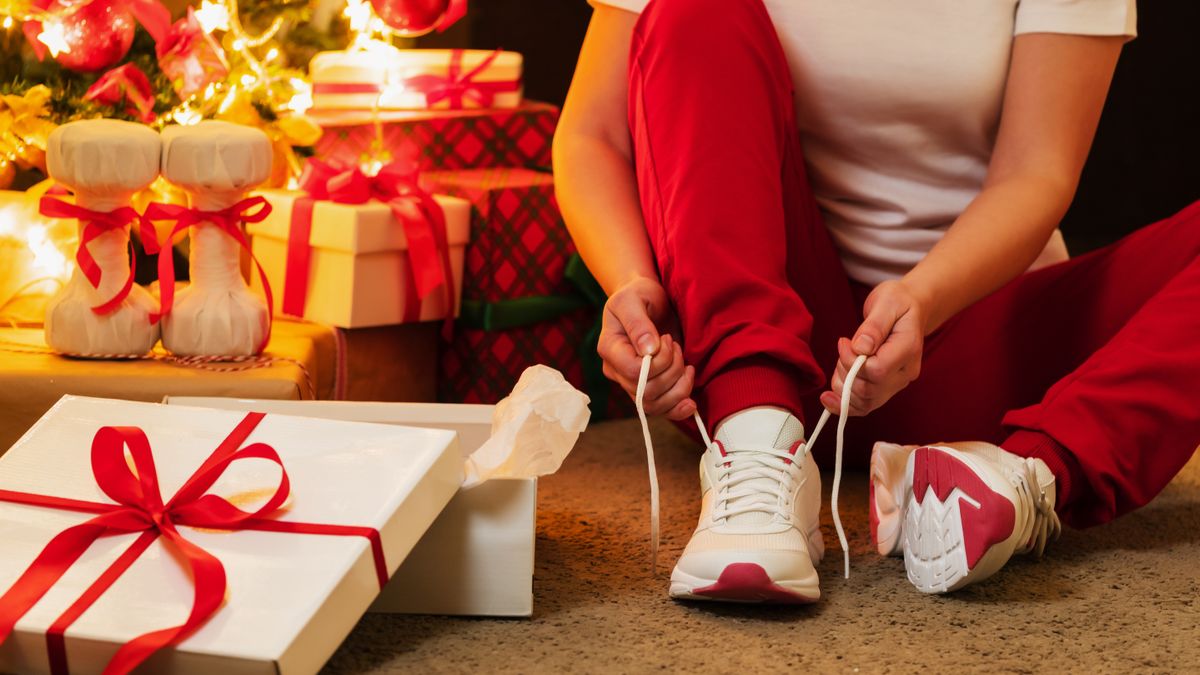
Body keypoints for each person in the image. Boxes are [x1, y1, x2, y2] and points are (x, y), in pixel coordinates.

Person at [554, 0, 1198, 602]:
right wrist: (632, 286)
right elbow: (595, 137)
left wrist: (923, 296)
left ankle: (1027, 477)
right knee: (697, 7)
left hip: (975, 346)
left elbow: (1037, 172)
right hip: (746, 350)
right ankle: (757, 444)